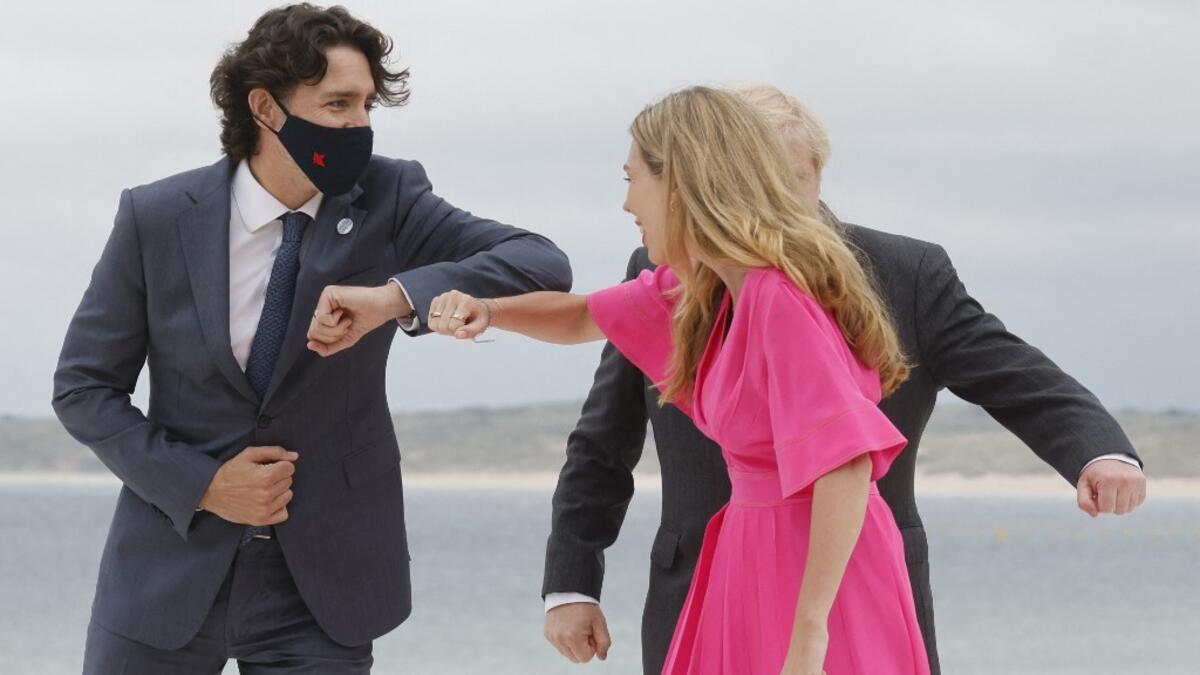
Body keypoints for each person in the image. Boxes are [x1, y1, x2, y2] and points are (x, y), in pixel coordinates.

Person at [310, 86, 930, 674]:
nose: (626, 204)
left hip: (815, 578)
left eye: (632, 180)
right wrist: (484, 309)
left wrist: (811, 631)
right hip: (748, 555)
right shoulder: (703, 285)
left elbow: (846, 466)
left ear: (682, 186)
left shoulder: (777, 298)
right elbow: (583, 315)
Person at [539, 85, 1147, 674]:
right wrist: (571, 583)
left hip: (861, 606)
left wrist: (1099, 453)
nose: (770, 195)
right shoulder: (664, 271)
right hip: (704, 603)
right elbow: (604, 439)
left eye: (791, 178)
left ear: (818, 175)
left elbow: (1013, 374)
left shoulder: (904, 271)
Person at [51, 4, 571, 673]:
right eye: (337, 104)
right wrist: (204, 484)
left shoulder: (390, 196)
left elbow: (541, 262)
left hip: (323, 587)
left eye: (366, 105)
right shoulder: (156, 217)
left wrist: (394, 298)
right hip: (165, 574)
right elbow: (84, 387)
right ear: (265, 107)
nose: (360, 125)